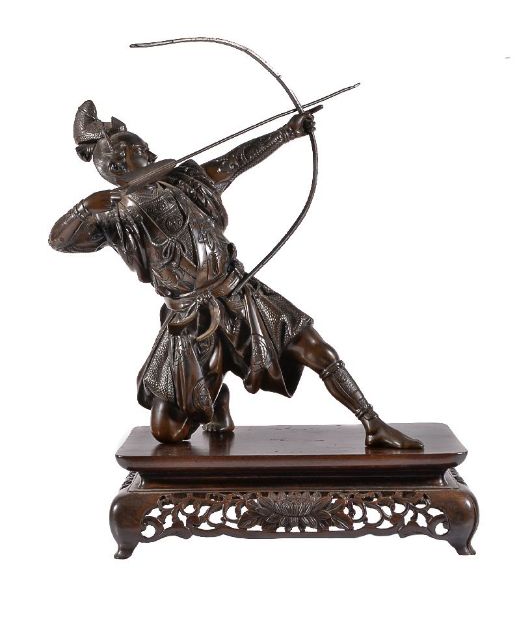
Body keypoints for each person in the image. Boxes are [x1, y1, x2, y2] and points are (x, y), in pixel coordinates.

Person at [49, 100, 422, 449]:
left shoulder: (185, 183)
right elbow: (59, 241)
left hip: (239, 292)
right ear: (118, 165)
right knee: (167, 433)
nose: (151, 154)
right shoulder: (114, 215)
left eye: (146, 148)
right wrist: (84, 208)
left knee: (315, 349)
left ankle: (373, 423)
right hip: (189, 318)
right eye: (140, 151)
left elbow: (234, 161)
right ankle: (217, 400)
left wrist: (286, 133)